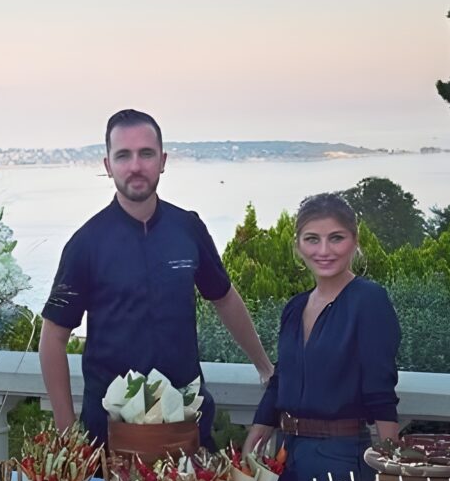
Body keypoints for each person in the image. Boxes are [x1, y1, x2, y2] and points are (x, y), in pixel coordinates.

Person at [39, 109, 274, 447]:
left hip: (186, 424)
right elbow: (53, 337)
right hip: (110, 434)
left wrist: (264, 365)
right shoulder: (85, 244)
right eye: (123, 155)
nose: (135, 166)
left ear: (162, 160)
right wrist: (67, 433)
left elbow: (224, 297)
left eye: (146, 154)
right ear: (108, 166)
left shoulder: (188, 228)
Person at [242, 193, 401, 481]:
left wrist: (388, 470)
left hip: (341, 459)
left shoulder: (368, 300)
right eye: (312, 239)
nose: (324, 250)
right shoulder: (294, 307)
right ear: (298, 245)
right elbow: (282, 378)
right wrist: (257, 432)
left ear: (354, 241)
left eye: (336, 238)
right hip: (285, 456)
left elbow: (381, 390)